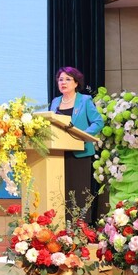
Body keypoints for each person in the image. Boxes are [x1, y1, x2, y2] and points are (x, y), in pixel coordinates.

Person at [49, 66, 104, 223]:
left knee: (79, 193)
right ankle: (62, 226)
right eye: (60, 79)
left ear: (76, 83)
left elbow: (98, 122)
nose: (63, 82)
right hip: (59, 153)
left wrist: (82, 135)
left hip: (79, 153)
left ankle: (81, 228)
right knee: (62, 192)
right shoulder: (55, 102)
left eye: (68, 79)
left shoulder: (84, 100)